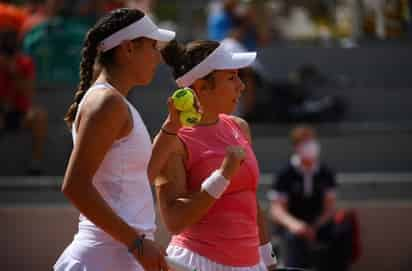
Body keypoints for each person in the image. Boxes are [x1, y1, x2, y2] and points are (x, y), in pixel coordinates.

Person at [54, 8, 175, 271]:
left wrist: (172, 127)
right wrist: (137, 244)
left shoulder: (113, 101)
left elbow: (141, 178)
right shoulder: (107, 102)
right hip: (104, 260)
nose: (158, 58)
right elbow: (74, 186)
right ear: (128, 49)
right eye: (152, 47)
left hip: (119, 258)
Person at [147, 40, 278, 271]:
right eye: (231, 78)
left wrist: (268, 261)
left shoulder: (239, 127)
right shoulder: (172, 141)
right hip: (196, 263)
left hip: (252, 264)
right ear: (201, 86)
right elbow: (174, 221)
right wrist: (222, 176)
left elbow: (250, 200)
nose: (241, 86)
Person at [268, 125, 353, 271]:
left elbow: (330, 207)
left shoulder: (326, 173)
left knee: (341, 232)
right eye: (305, 143)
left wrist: (315, 226)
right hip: (294, 226)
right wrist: (296, 225)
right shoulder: (285, 174)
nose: (310, 147)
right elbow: (276, 209)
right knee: (294, 239)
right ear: (296, 147)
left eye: (312, 142)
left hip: (318, 223)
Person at [0, 29, 48, 175]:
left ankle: (36, 164)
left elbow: (29, 92)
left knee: (39, 116)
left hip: (19, 112)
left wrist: (13, 72)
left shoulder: (25, 62)